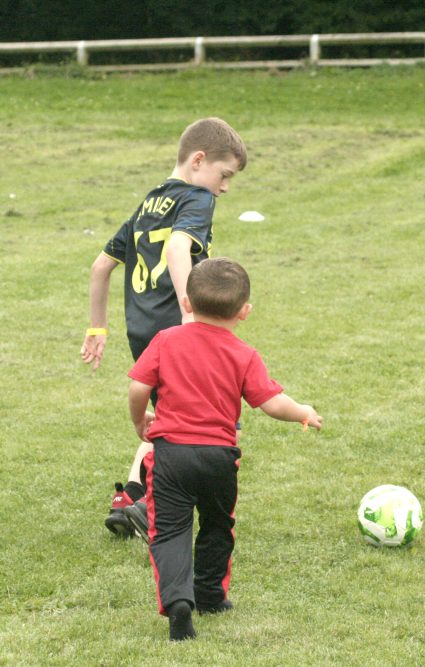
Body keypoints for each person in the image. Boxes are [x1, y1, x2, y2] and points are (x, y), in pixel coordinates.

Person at [127, 257, 322, 640]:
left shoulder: (166, 340)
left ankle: (179, 603)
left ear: (186, 303)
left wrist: (140, 420)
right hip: (219, 459)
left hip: (172, 455)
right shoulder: (244, 354)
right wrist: (303, 413)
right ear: (245, 312)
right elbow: (271, 403)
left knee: (170, 531)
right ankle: (212, 595)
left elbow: (137, 387)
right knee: (218, 526)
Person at [80, 117, 247, 539]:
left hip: (143, 331)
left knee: (171, 414)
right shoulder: (196, 198)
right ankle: (148, 501)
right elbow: (176, 248)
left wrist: (97, 329)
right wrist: (190, 317)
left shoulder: (151, 201)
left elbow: (101, 266)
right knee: (200, 423)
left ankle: (133, 497)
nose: (224, 187)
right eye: (224, 175)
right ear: (198, 160)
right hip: (175, 329)